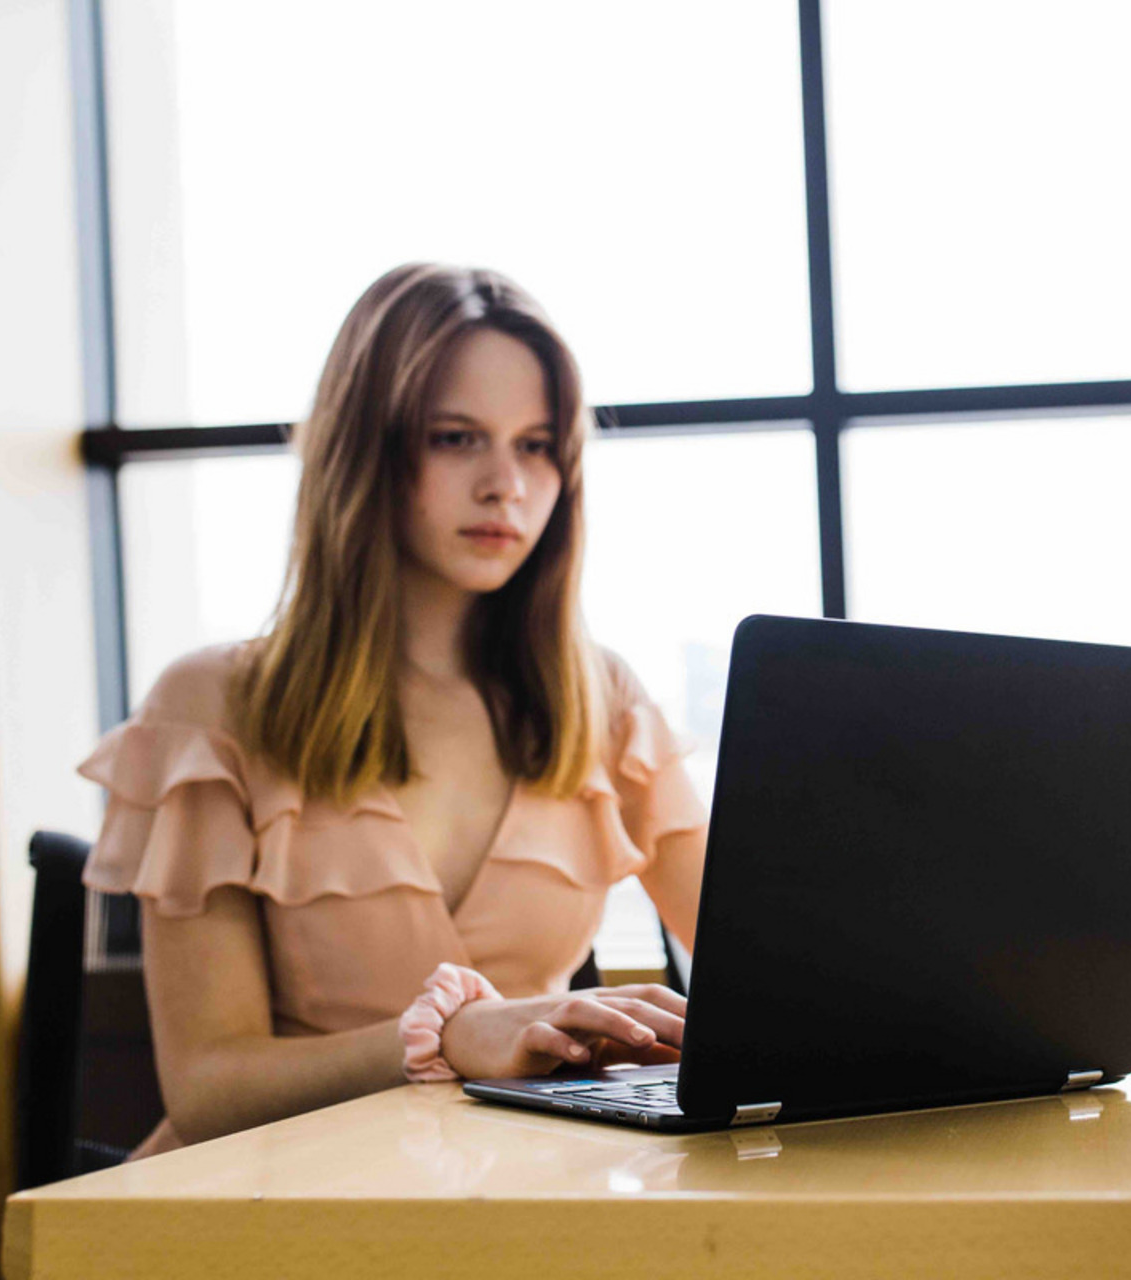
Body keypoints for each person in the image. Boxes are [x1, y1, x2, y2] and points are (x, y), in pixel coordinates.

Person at [78, 264, 706, 1158]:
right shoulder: (211, 707)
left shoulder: (599, 701)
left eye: (536, 446)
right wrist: (448, 1037)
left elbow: (772, 964)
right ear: (366, 450)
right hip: (247, 1203)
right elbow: (205, 1087)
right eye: (457, 438)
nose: (506, 485)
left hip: (514, 1201)